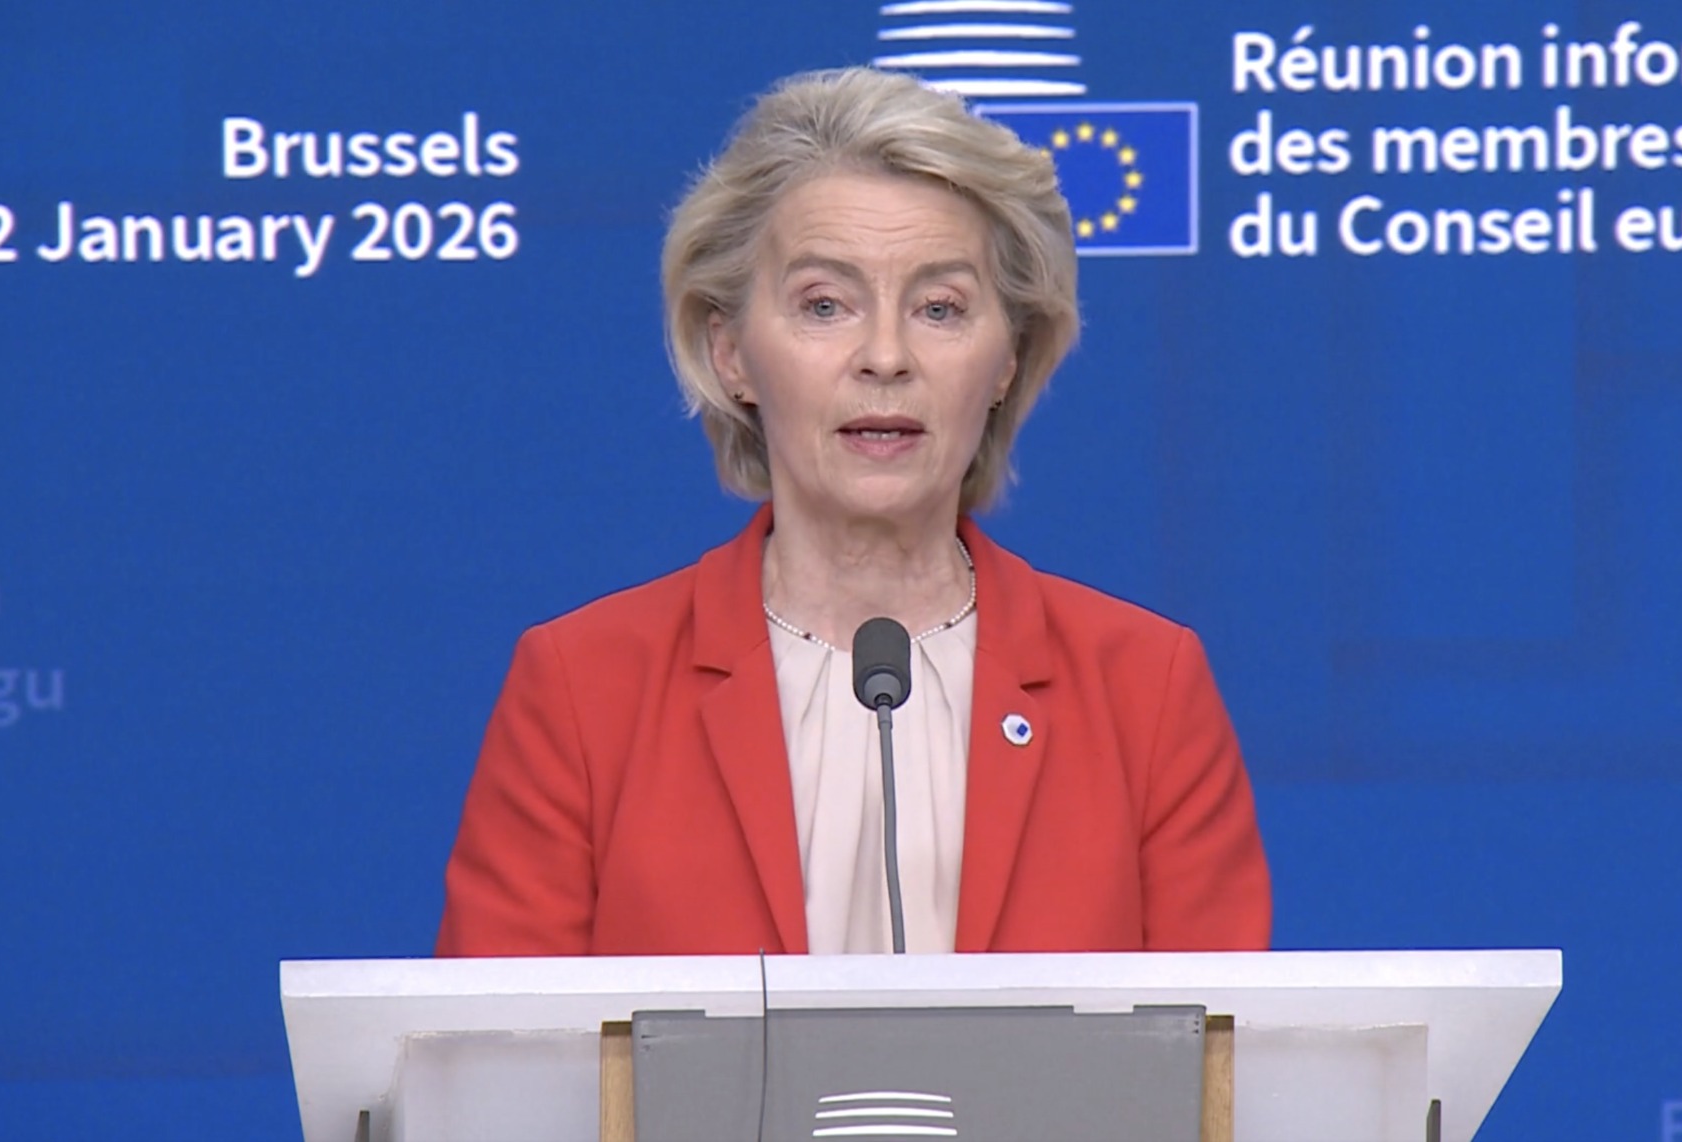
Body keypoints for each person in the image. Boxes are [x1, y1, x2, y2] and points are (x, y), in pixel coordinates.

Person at [436, 67, 1269, 957]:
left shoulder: (1144, 691)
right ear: (731, 353)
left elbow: (1215, 1038)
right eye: (825, 305)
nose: (885, 356)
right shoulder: (583, 690)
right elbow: (499, 1037)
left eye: (940, 308)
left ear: (1006, 361)